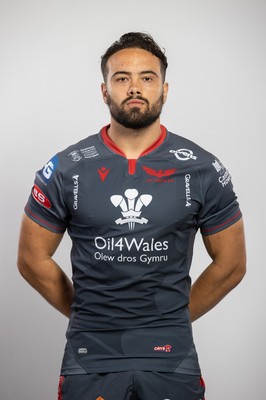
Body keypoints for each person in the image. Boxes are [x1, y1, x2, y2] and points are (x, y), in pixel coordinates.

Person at [17, 32, 246, 400]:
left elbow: (232, 263)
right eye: (122, 78)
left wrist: (172, 319)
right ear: (104, 90)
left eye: (147, 78)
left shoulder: (203, 168)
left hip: (172, 356)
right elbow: (31, 258)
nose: (135, 88)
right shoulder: (64, 169)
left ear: (165, 90)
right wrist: (85, 313)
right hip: (90, 354)